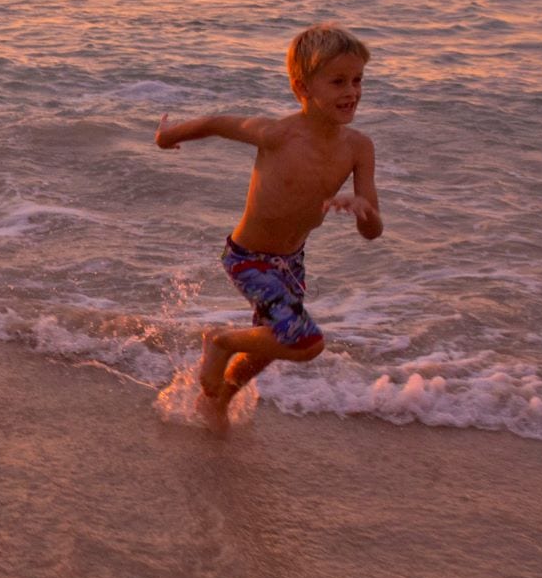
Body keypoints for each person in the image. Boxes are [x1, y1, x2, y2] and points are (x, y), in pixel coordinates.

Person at [155, 23, 383, 424]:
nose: (352, 92)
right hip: (248, 257)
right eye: (338, 82)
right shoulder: (278, 135)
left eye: (357, 80)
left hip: (290, 263)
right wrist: (167, 136)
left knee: (266, 348)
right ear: (303, 87)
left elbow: (373, 231)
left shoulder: (358, 148)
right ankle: (220, 341)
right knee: (306, 342)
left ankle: (219, 398)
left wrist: (365, 210)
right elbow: (217, 123)